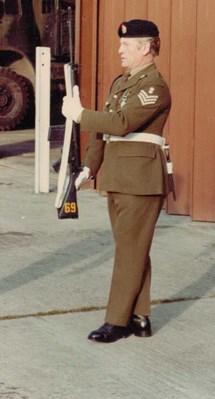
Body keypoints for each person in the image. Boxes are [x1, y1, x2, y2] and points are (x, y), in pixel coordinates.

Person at [62, 19, 172, 343]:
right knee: (133, 249)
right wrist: (88, 167)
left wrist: (80, 114)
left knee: (129, 250)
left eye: (126, 45)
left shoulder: (155, 87)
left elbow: (121, 122)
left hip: (141, 180)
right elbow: (104, 130)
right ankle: (140, 317)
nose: (120, 49)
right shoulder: (121, 83)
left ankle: (116, 321)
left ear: (146, 47)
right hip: (119, 176)